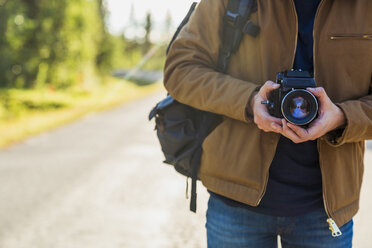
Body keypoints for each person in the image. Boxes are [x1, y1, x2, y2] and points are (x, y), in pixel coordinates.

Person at [163, 0, 372, 247]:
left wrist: (342, 117)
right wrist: (248, 101)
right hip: (235, 199)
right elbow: (180, 69)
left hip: (327, 208)